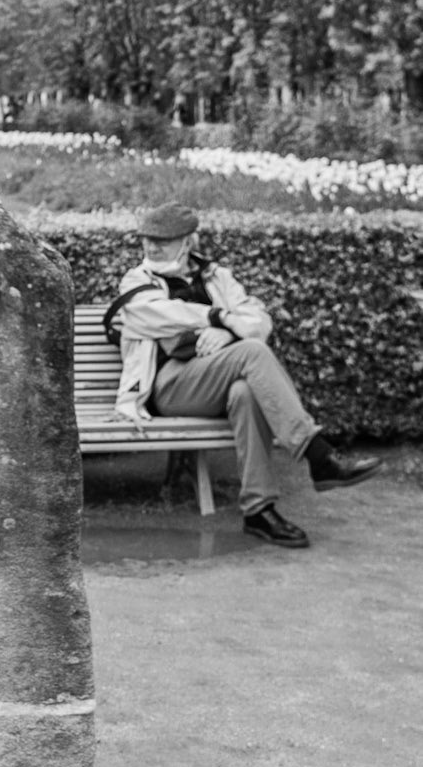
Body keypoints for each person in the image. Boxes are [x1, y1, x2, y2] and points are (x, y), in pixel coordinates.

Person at [107, 203, 381, 548]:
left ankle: (259, 511)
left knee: (245, 393)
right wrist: (219, 318)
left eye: (163, 240)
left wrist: (229, 335)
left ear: (188, 241)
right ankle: (318, 455)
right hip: (169, 384)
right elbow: (151, 315)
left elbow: (258, 319)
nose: (152, 247)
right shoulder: (138, 279)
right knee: (252, 352)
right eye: (147, 239)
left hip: (219, 374)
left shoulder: (216, 276)